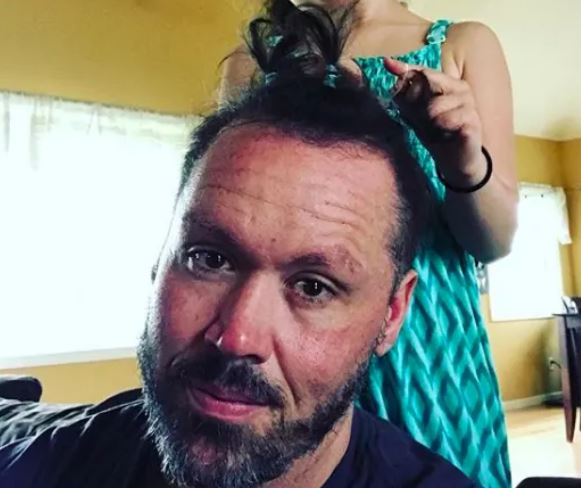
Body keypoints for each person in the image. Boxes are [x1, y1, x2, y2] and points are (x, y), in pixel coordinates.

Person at [0, 7, 477, 488]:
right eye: (209, 259)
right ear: (159, 258)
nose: (237, 338)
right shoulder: (49, 465)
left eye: (313, 287)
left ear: (392, 315)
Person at [220, 1, 518, 486]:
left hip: (435, 366)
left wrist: (461, 160)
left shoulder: (463, 44)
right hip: (296, 353)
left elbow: (495, 241)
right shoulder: (250, 62)